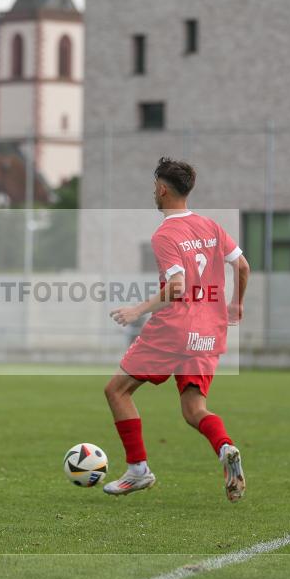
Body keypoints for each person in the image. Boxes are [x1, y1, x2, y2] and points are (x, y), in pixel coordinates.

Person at [102, 157, 250, 502]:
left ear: (163, 189)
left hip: (174, 329)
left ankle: (138, 470)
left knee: (117, 391)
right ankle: (224, 447)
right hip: (209, 331)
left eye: (155, 186)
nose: (154, 191)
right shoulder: (211, 226)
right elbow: (242, 265)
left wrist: (137, 310)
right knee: (194, 409)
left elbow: (178, 286)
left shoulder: (166, 233)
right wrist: (236, 303)